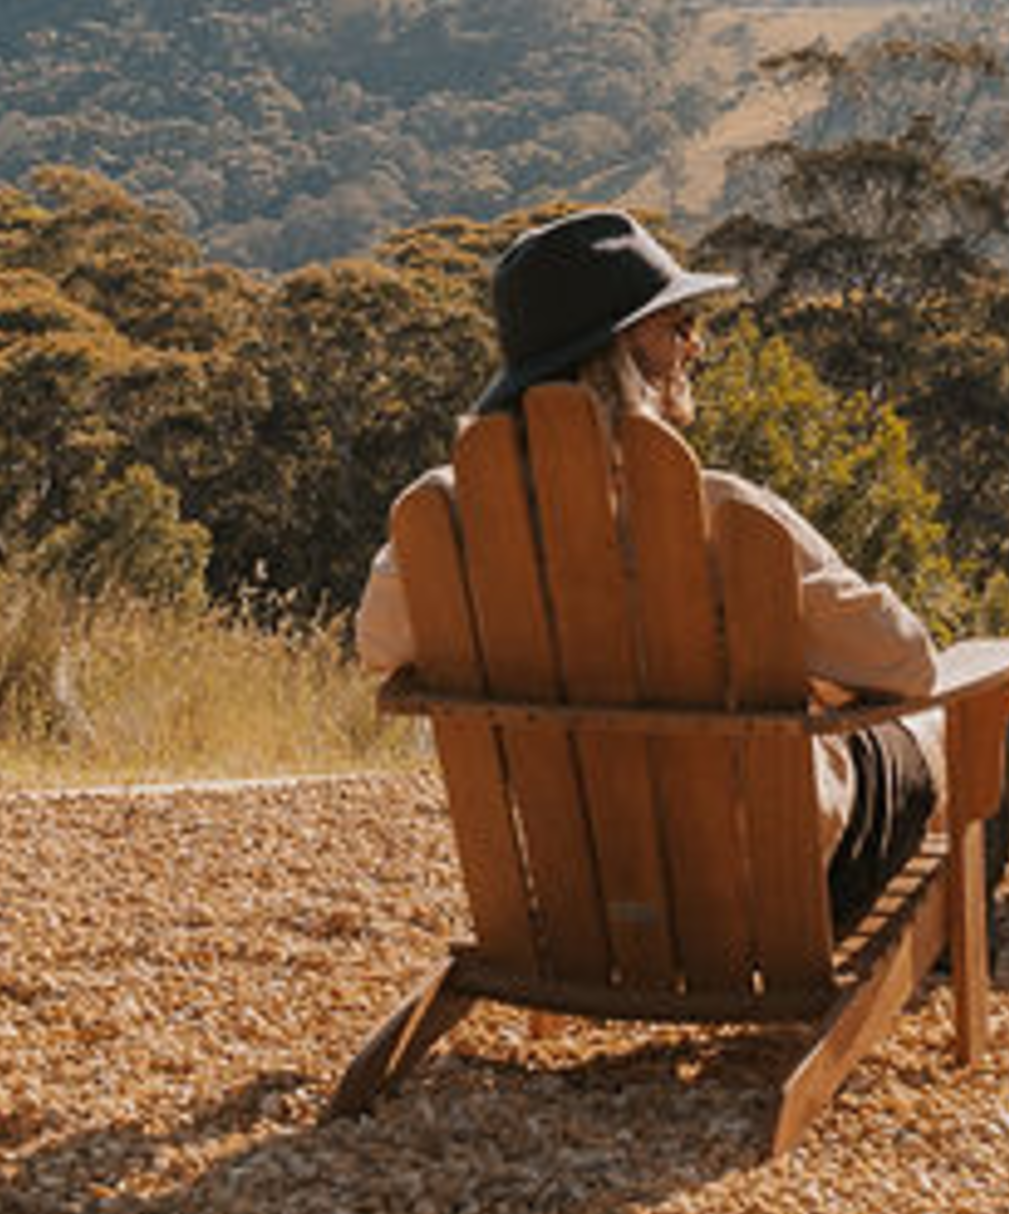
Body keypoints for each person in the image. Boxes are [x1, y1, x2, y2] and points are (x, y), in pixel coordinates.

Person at [354, 206, 973, 933]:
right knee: (944, 717)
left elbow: (380, 648)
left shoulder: (441, 521)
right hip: (762, 889)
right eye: (677, 326)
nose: (697, 345)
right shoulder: (723, 514)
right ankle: (951, 957)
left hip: (571, 883)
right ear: (619, 354)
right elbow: (907, 666)